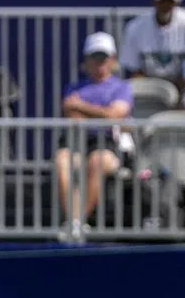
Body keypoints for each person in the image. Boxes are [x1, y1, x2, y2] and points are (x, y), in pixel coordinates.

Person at [55, 32, 134, 242]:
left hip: (107, 144)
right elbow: (74, 118)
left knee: (98, 161)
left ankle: (77, 222)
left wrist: (82, 107)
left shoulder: (122, 87)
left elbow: (115, 115)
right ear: (86, 60)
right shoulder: (74, 87)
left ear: (112, 60)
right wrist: (102, 113)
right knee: (62, 160)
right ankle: (74, 222)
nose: (99, 63)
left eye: (104, 58)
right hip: (78, 142)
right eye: (94, 57)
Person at [119, 0, 185, 83]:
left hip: (183, 85)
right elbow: (134, 69)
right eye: (162, 0)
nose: (166, 5)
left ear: (178, 2)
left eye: (170, 1)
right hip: (148, 86)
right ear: (153, 0)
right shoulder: (135, 27)